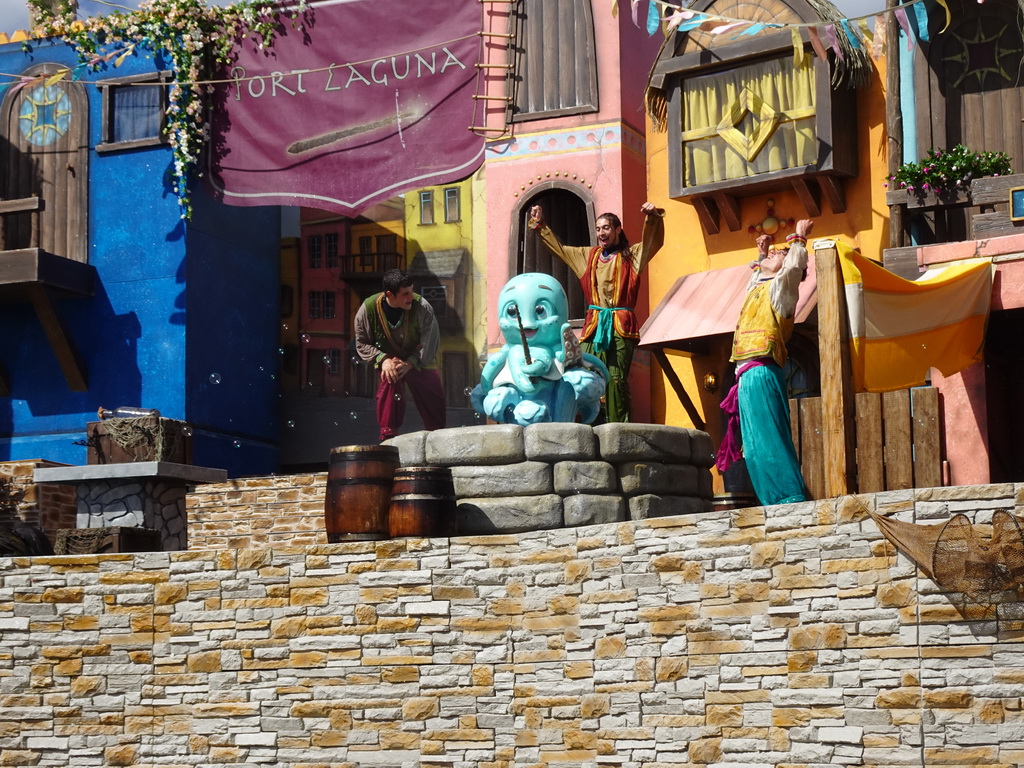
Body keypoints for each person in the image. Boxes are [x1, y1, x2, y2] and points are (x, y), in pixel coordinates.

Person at [527, 202, 664, 423]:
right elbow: (560, 249)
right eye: (599, 229)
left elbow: (652, 241)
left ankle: (617, 427)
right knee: (582, 371)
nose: (601, 233)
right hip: (594, 325)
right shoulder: (587, 256)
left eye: (606, 228)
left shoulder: (632, 256)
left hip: (621, 325)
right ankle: (584, 423)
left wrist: (653, 218)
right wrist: (541, 224)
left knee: (616, 379)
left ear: (618, 230)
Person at [716, 220, 813, 506]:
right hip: (745, 377)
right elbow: (754, 280)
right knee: (754, 447)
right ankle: (772, 499)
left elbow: (793, 270)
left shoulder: (782, 292)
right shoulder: (759, 288)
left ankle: (788, 496)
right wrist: (763, 254)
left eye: (778, 255)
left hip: (761, 373)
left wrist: (799, 239)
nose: (774, 254)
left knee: (769, 439)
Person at [355, 269, 446, 442]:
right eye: (405, 294)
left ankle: (438, 438)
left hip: (420, 358)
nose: (411, 297)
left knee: (433, 398)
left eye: (411, 291)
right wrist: (383, 359)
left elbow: (430, 342)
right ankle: (387, 437)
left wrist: (411, 362)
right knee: (389, 376)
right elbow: (362, 342)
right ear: (389, 294)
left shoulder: (423, 307)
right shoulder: (367, 309)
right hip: (389, 360)